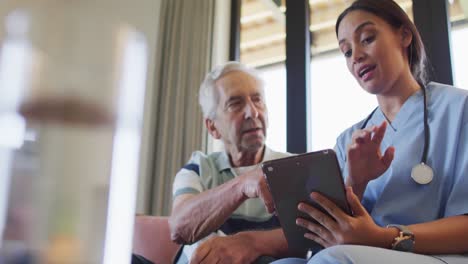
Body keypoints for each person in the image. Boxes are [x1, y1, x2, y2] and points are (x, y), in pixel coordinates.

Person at [271, 0, 468, 263]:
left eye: (367, 38)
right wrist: (356, 181)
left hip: (442, 255)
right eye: (346, 52)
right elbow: (336, 231)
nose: (356, 56)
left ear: (404, 35)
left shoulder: (459, 109)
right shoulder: (348, 141)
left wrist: (381, 237)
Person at [168, 62, 291, 264]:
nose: (253, 113)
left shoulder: (291, 166)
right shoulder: (199, 167)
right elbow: (180, 228)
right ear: (212, 127)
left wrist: (251, 242)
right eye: (235, 104)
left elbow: (310, 239)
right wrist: (242, 185)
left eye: (257, 100)